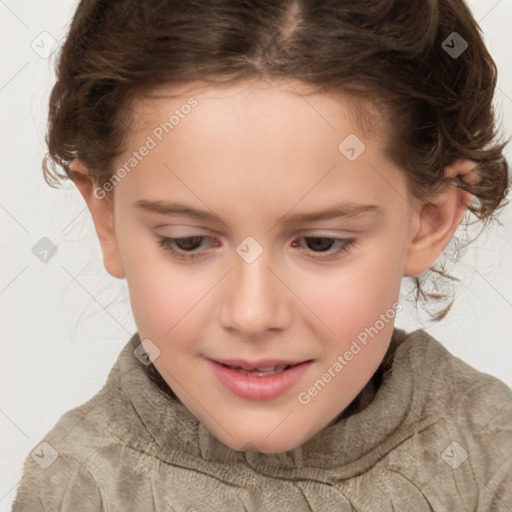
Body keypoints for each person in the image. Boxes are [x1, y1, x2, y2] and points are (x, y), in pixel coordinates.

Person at [12, 0, 512, 510]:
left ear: (428, 220)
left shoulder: (494, 465)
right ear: (107, 217)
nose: (252, 314)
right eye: (188, 241)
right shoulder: (78, 488)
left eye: (321, 243)